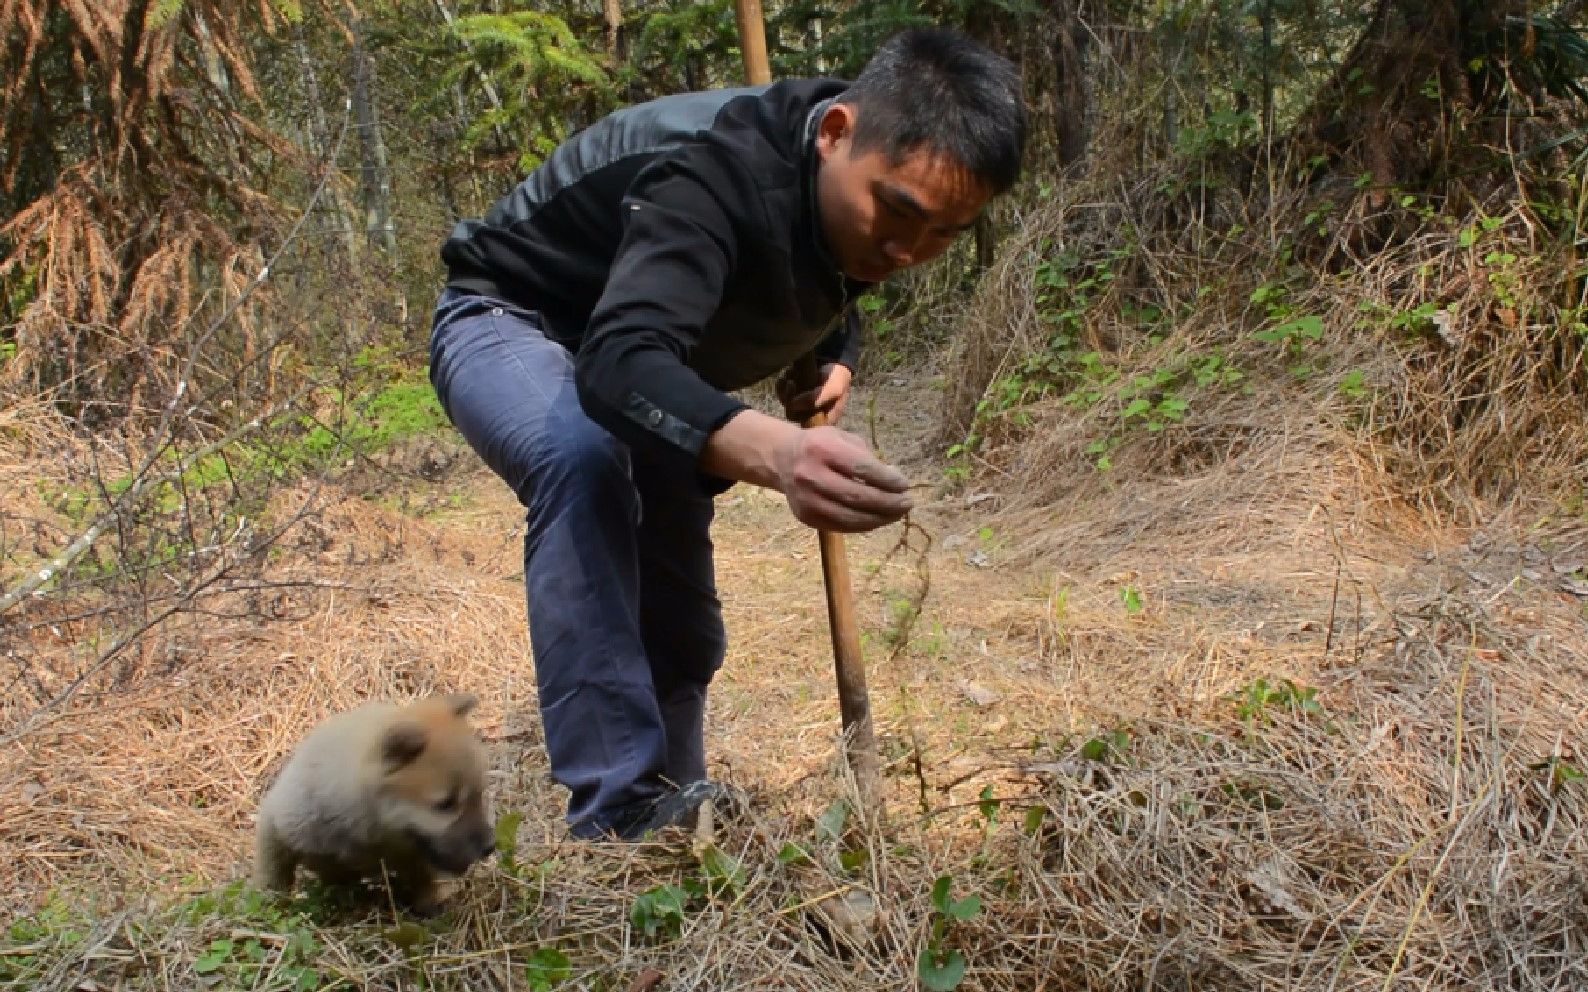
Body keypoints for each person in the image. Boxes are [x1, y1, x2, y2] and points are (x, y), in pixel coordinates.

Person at [429, 26, 1026, 840]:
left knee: (680, 601)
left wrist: (836, 352)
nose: (906, 251)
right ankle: (618, 816)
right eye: (896, 212)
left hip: (653, 361)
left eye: (943, 236)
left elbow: (834, 267)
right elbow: (616, 365)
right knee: (585, 457)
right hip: (513, 317)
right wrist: (781, 454)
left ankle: (678, 801)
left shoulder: (869, 174)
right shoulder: (711, 174)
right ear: (834, 133)